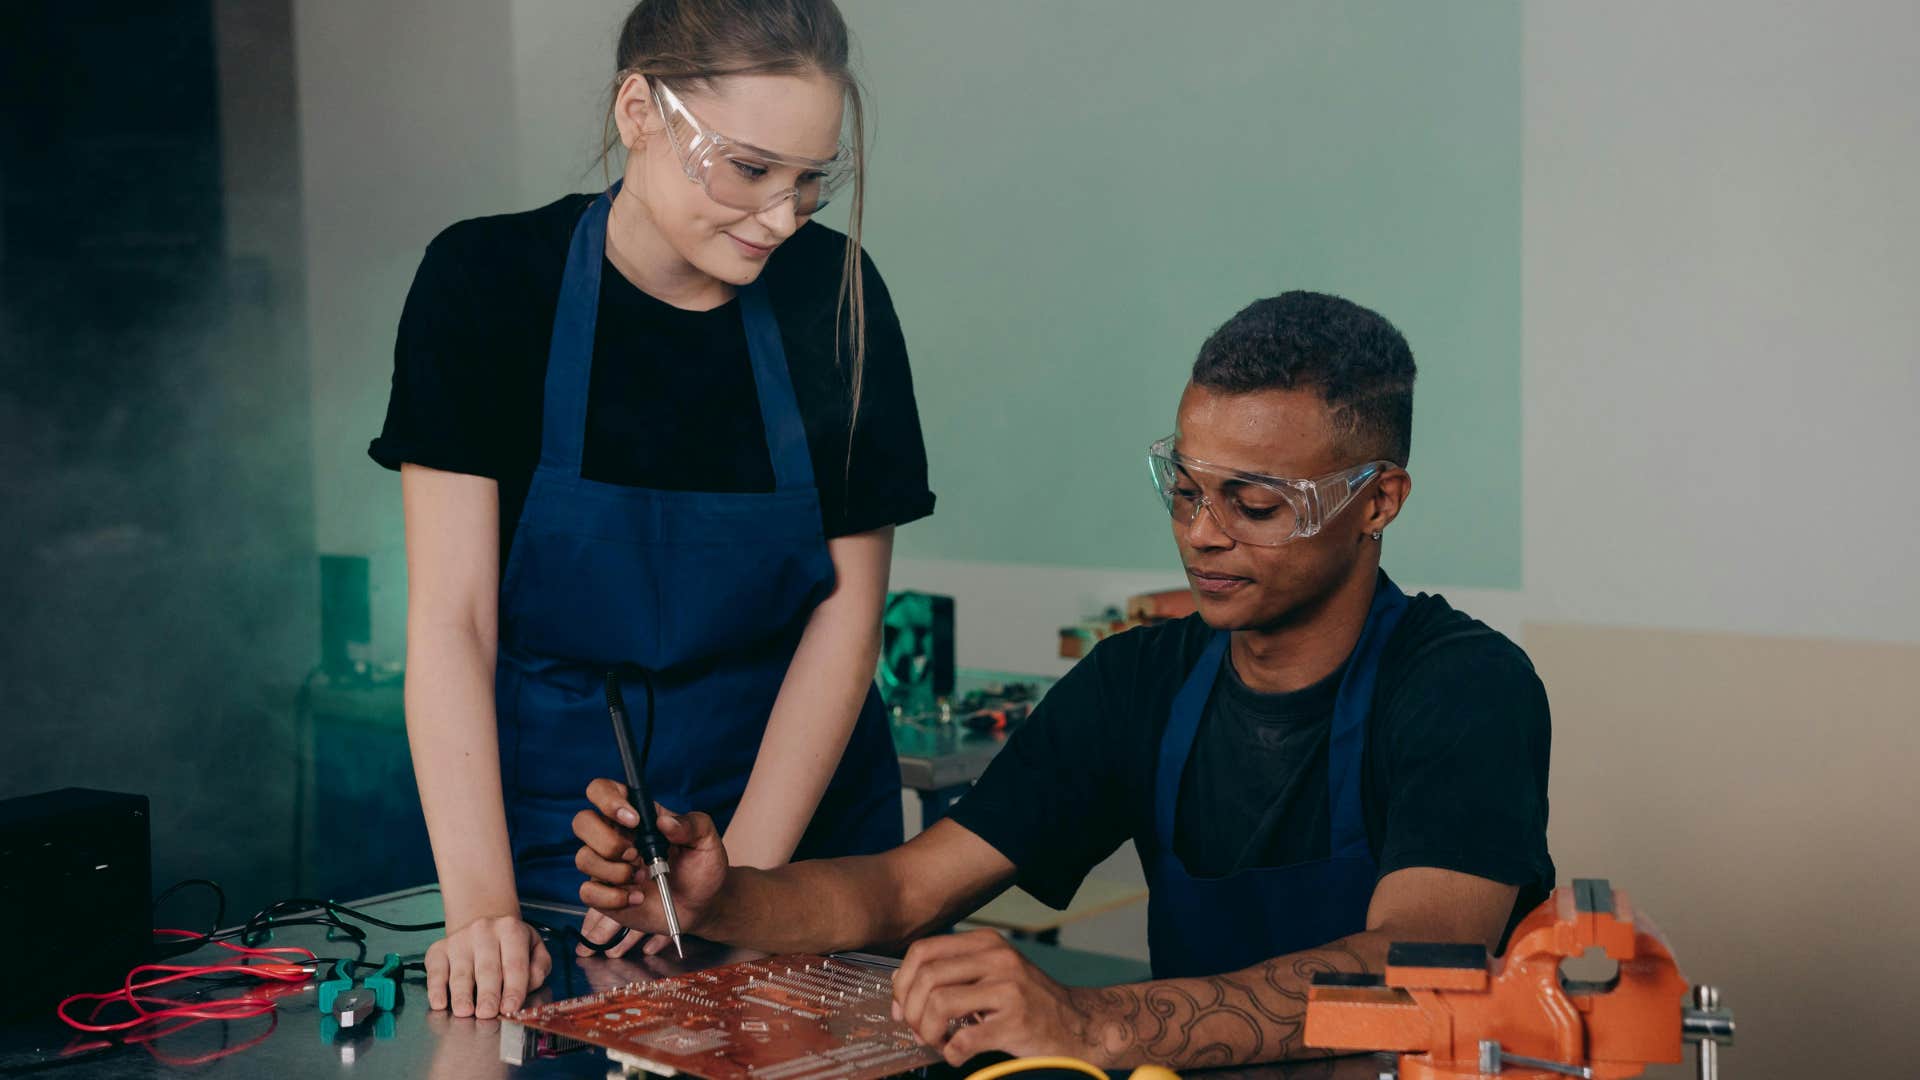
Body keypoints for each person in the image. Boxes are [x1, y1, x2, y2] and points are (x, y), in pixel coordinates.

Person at [571, 292, 1553, 1070]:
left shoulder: (1463, 688)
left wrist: (1088, 1023)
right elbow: (907, 887)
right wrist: (718, 898)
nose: (1203, 531)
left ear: (1377, 500)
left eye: (1255, 503)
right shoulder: (1139, 682)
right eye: (1187, 487)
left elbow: (1422, 969)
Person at [369, 0, 933, 1019]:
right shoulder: (488, 284)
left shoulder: (834, 296)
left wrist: (732, 892)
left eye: (812, 179)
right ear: (640, 110)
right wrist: (484, 909)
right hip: (561, 844)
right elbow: (454, 621)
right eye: (750, 170)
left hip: (796, 841)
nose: (781, 216)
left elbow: (845, 628)